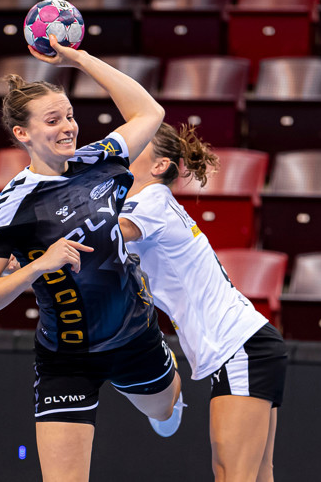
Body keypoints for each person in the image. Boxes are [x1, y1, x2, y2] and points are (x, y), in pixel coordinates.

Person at [0, 35, 183, 482]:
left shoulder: (98, 159)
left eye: (69, 116)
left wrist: (79, 59)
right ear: (22, 134)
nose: (68, 127)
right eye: (53, 120)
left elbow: (150, 113)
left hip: (133, 336)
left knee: (165, 411)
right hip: (66, 356)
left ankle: (167, 402)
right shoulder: (7, 210)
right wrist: (36, 266)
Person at [118, 122, 288, 482]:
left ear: (159, 165)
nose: (125, 145)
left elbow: (109, 232)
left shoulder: (151, 199)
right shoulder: (152, 203)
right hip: (248, 345)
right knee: (255, 475)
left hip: (240, 345)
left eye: (138, 142)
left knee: (232, 475)